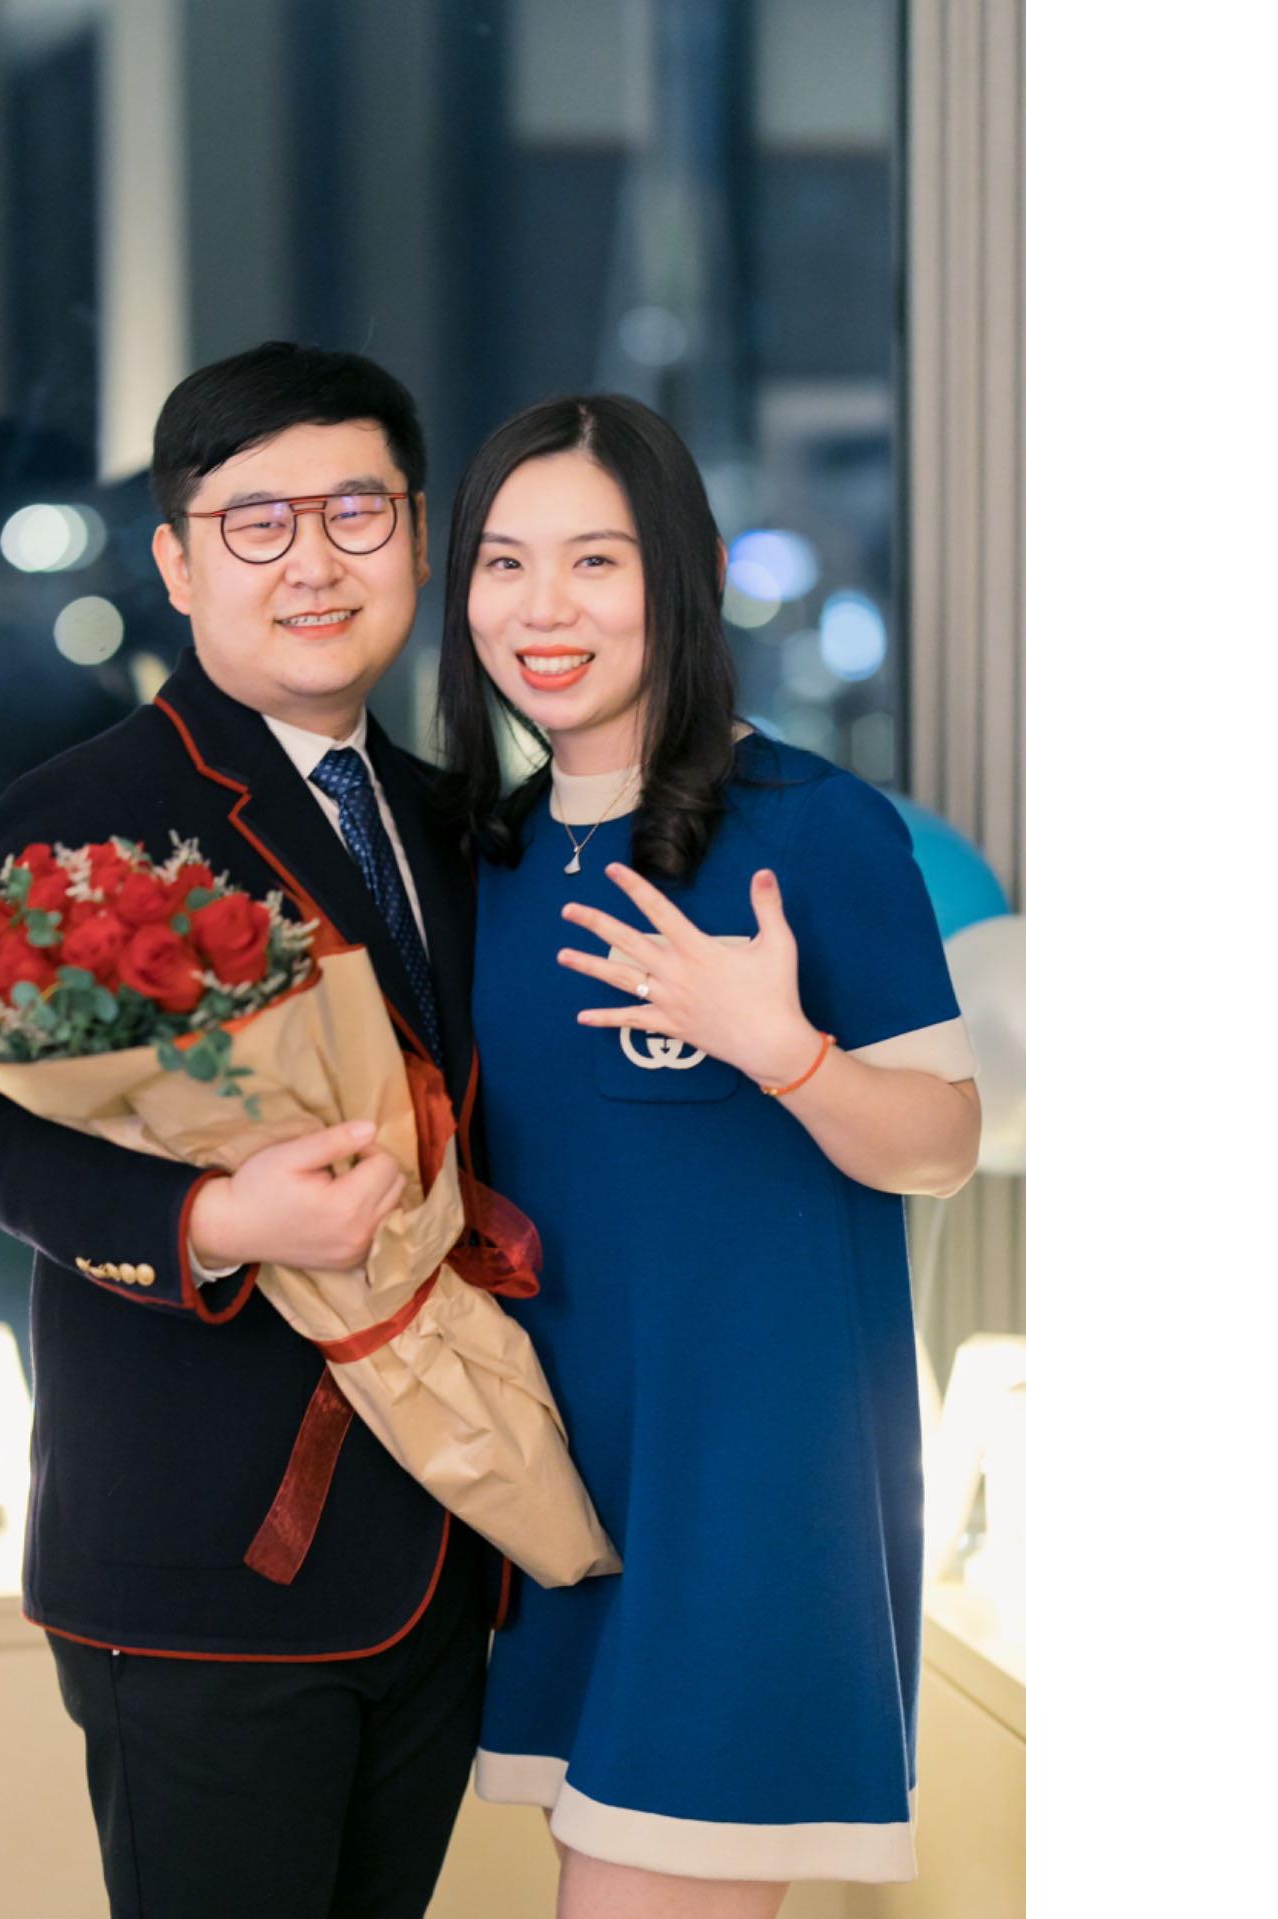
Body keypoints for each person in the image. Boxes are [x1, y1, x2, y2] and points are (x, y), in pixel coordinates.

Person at [0, 343, 501, 1919]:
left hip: (444, 1544)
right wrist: (216, 1223)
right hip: (200, 1575)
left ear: (415, 537)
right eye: (258, 522)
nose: (314, 560)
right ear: (179, 564)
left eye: (356, 511)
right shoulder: (82, 817)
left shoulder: (461, 825)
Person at [436, 395, 981, 1918]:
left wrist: (783, 1051)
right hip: (564, 1512)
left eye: (596, 561)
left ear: (685, 576)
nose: (544, 609)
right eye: (503, 563)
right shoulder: (496, 853)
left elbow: (945, 1142)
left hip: (749, 1513)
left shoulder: (811, 829)